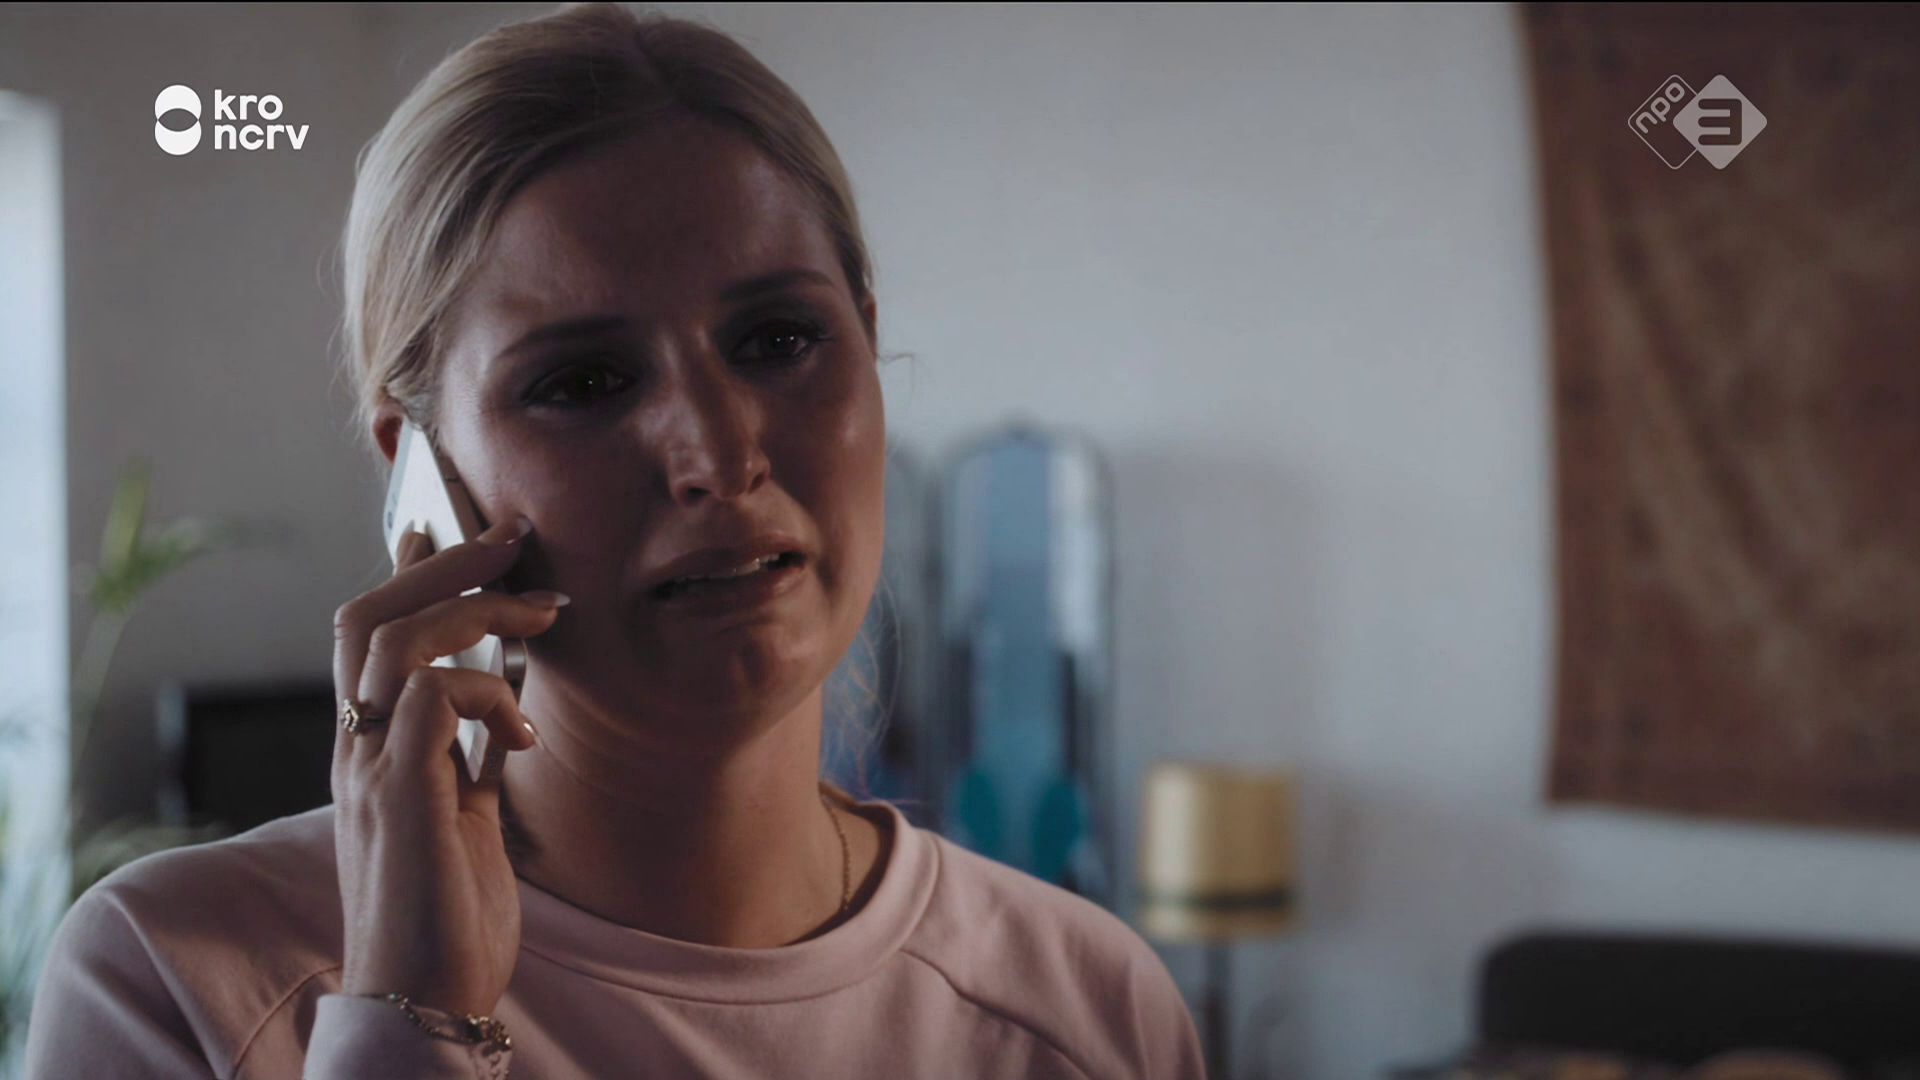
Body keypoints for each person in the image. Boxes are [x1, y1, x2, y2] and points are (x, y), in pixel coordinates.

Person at [24, 4, 1206, 1078]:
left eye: (780, 339)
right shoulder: (182, 980)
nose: (717, 454)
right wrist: (408, 1019)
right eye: (584, 381)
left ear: (868, 342)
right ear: (423, 475)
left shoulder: (1090, 1009)